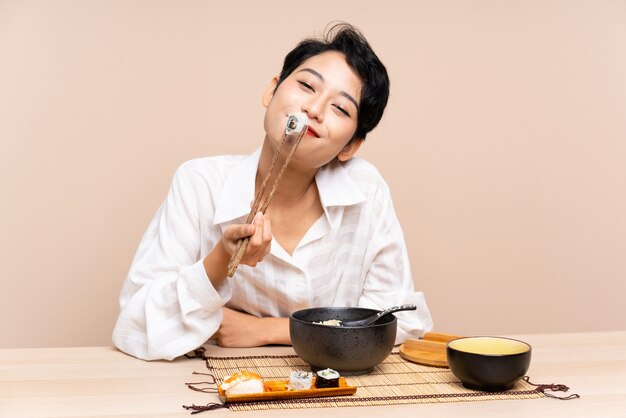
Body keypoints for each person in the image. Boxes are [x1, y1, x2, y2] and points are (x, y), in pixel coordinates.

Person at [112, 23, 433, 361]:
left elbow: (401, 318)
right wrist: (220, 261)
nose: (314, 109)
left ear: (350, 145)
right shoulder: (199, 182)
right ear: (272, 91)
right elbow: (134, 327)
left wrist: (268, 331)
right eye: (307, 85)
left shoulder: (365, 190)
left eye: (340, 108)